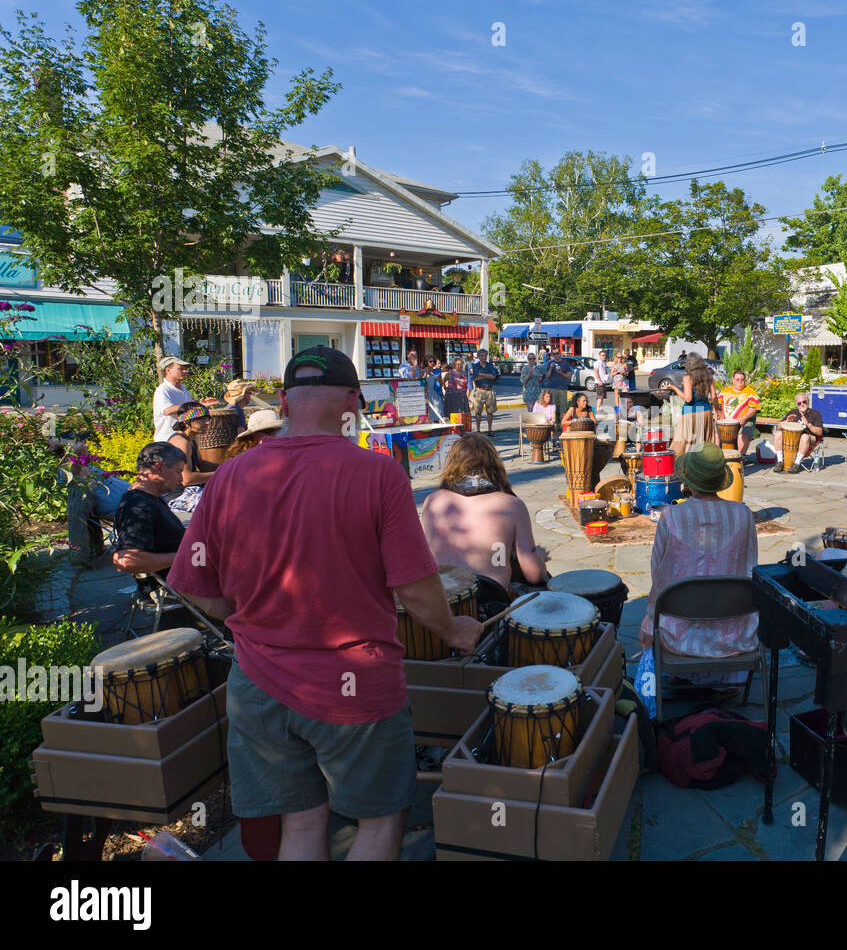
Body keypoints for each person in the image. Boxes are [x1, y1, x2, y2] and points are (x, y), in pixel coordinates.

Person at [168, 345, 482, 862]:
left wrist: (251, 618)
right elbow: (417, 588)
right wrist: (453, 631)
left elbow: (194, 586)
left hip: (258, 685)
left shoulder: (229, 477)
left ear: (286, 404)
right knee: (379, 822)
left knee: (302, 822)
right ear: (353, 404)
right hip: (354, 683)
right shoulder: (378, 474)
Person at [638, 443, 757, 684]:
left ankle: (683, 677)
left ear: (688, 481)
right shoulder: (743, 514)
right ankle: (724, 680)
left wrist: (650, 618)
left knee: (656, 610)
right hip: (734, 634)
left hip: (679, 636)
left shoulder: (671, 516)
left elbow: (658, 574)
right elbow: (750, 568)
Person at [419, 433, 550, 592]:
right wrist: (540, 557)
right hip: (489, 602)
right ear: (494, 464)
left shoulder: (432, 501)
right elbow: (533, 574)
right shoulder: (511, 505)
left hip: (444, 600)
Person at [112, 441, 188, 579]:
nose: (181, 479)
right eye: (178, 471)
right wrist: (185, 556)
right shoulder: (138, 505)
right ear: (159, 467)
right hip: (182, 583)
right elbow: (126, 561)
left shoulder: (152, 499)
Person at [152, 356, 218, 442]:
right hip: (168, 440)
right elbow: (167, 410)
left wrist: (201, 406)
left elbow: (190, 412)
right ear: (168, 370)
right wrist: (195, 406)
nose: (185, 371)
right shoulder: (163, 389)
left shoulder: (184, 390)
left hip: (185, 438)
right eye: (181, 369)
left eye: (185, 369)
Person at [665, 352, 718, 455]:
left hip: (690, 412)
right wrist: (717, 410)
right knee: (703, 443)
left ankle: (682, 466)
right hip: (706, 411)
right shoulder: (709, 376)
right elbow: (714, 396)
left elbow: (688, 399)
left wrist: (674, 388)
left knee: (683, 444)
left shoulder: (687, 377)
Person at [771, 392, 823, 474]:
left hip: (809, 439)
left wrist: (808, 425)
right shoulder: (793, 413)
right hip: (791, 439)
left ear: (808, 401)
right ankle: (780, 462)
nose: (802, 404)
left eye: (804, 402)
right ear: (796, 404)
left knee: (804, 437)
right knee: (778, 434)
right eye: (799, 403)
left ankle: (796, 464)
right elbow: (779, 426)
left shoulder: (815, 414)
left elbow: (819, 432)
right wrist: (787, 421)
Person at [718, 370, 762, 458]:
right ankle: (718, 456)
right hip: (726, 421)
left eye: (742, 379)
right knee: (715, 433)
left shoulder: (750, 392)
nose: (740, 382)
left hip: (745, 420)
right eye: (737, 379)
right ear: (733, 380)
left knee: (743, 434)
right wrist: (719, 415)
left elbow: (753, 409)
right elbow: (717, 406)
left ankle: (740, 457)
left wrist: (744, 417)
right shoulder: (724, 391)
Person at [467, 348, 501, 435]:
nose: (484, 357)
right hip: (479, 390)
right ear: (478, 357)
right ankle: (478, 430)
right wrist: (487, 375)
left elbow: (493, 376)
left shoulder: (490, 366)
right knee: (478, 412)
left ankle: (490, 429)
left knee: (490, 412)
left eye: (485, 355)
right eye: (482, 355)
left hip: (489, 390)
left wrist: (481, 374)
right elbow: (474, 378)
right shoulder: (475, 366)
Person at [542, 351, 572, 416]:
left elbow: (569, 376)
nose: (556, 355)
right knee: (552, 408)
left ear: (560, 354)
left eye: (557, 353)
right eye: (554, 354)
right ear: (552, 355)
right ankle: (553, 423)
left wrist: (561, 373)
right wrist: (550, 368)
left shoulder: (565, 363)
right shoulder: (549, 363)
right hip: (552, 388)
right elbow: (547, 376)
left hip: (563, 388)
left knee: (563, 408)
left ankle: (562, 424)